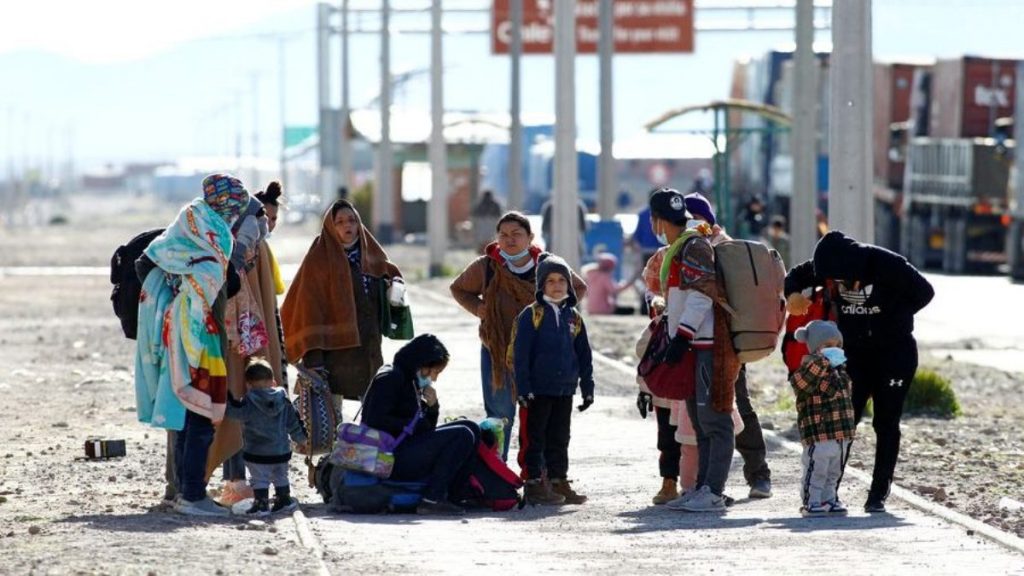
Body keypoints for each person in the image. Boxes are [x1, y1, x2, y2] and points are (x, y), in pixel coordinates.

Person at [785, 230, 934, 513]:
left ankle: (878, 494)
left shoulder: (886, 264)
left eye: (838, 280)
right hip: (853, 354)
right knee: (845, 421)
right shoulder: (828, 265)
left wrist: (890, 317)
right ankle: (829, 493)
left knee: (886, 422)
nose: (834, 284)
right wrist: (792, 293)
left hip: (895, 353)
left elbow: (925, 292)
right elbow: (796, 276)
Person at [135, 173, 249, 517]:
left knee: (188, 415)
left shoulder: (183, 232)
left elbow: (148, 268)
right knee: (199, 415)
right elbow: (206, 293)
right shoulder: (210, 242)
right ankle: (192, 496)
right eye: (234, 210)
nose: (233, 218)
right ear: (226, 206)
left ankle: (186, 490)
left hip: (177, 336)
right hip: (195, 338)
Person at [449, 211, 586, 461]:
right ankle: (496, 472)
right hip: (497, 351)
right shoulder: (486, 266)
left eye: (516, 234)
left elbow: (578, 287)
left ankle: (539, 477)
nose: (509, 240)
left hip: (541, 354)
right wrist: (479, 309)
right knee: (499, 416)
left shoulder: (548, 265)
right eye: (503, 235)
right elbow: (458, 289)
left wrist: (558, 313)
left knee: (540, 416)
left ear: (531, 237)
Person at [645, 188, 738, 513]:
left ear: (656, 221)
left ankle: (713, 491)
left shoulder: (693, 245)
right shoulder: (685, 243)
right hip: (692, 345)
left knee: (715, 419)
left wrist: (682, 336)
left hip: (707, 345)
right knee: (700, 421)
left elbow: (702, 295)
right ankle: (703, 487)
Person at [684, 192, 774, 499]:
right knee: (709, 411)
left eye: (693, 218)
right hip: (701, 342)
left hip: (726, 343)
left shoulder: (723, 249)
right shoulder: (691, 245)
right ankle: (700, 483)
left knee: (737, 404)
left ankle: (758, 474)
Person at [281, 200, 402, 416]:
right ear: (330, 226)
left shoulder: (371, 255)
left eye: (352, 220)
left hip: (368, 349)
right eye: (340, 222)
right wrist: (314, 361)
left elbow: (389, 283)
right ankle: (335, 450)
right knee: (329, 420)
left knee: (374, 416)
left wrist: (392, 288)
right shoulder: (319, 259)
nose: (348, 226)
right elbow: (307, 310)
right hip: (332, 357)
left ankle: (369, 449)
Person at [360, 334, 482, 516]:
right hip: (389, 457)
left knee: (471, 427)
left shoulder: (411, 382)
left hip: (406, 448)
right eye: (434, 372)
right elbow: (374, 420)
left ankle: (455, 495)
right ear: (421, 363)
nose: (434, 379)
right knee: (462, 434)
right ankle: (432, 498)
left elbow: (427, 428)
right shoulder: (391, 377)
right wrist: (411, 425)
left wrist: (433, 407)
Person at [511, 255, 595, 506]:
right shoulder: (531, 315)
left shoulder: (574, 317)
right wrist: (523, 388)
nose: (557, 286)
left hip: (564, 389)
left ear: (569, 285)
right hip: (537, 391)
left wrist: (587, 386)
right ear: (540, 286)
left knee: (560, 437)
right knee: (534, 437)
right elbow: (520, 355)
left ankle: (559, 480)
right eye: (550, 281)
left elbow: (584, 354)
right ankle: (534, 483)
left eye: (562, 280)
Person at [225, 358, 307, 516]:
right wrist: (301, 440)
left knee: (259, 478)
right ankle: (284, 500)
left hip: (257, 452)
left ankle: (261, 504)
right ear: (273, 382)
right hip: (281, 451)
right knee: (281, 475)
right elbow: (294, 422)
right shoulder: (283, 400)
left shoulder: (248, 402)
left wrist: (227, 398)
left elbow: (234, 413)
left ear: (248, 384)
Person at [789, 320, 855, 517]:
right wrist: (824, 362)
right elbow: (801, 385)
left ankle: (830, 498)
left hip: (841, 432)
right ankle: (812, 501)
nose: (833, 350)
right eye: (827, 346)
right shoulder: (808, 368)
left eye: (836, 346)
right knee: (816, 468)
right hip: (819, 432)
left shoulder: (840, 371)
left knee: (834, 470)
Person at [471, 190, 504, 254]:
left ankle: (483, 254)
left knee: (482, 242)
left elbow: (474, 219)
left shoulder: (478, 205)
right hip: (491, 225)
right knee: (490, 241)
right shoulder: (495, 204)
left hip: (482, 226)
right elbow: (499, 218)